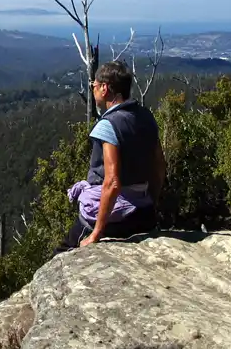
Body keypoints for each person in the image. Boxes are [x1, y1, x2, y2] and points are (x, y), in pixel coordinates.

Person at [55, 60, 166, 253]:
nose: (93, 90)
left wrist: (96, 233)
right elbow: (159, 166)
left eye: (94, 86)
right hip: (143, 212)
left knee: (62, 253)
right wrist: (151, 204)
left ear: (105, 88)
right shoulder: (146, 117)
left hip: (118, 216)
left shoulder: (108, 125)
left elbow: (112, 182)